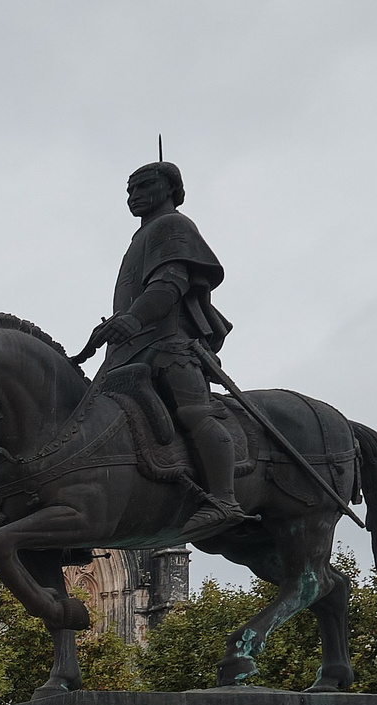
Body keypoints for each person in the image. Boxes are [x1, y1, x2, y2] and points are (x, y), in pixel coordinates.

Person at [81, 158, 250, 544]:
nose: (133, 196)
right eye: (129, 190)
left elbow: (168, 285)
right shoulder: (140, 237)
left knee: (193, 413)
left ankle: (224, 499)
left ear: (171, 189)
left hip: (168, 346)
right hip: (129, 351)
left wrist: (133, 320)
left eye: (143, 187)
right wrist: (114, 327)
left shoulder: (173, 226)